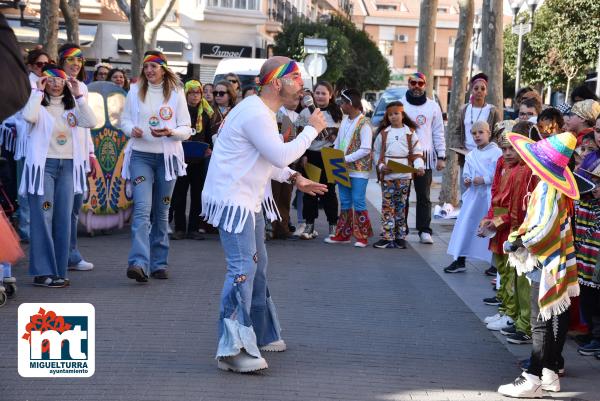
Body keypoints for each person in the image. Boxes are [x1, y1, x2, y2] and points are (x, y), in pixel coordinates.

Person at [201, 56, 327, 373]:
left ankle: (260, 332)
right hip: (235, 202)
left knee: (258, 267)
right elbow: (280, 153)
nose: (301, 85)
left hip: (247, 199)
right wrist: (311, 131)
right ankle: (231, 350)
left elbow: (266, 160)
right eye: (295, 78)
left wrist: (295, 178)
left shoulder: (258, 110)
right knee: (242, 270)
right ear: (275, 83)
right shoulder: (257, 113)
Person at [498, 131, 580, 398]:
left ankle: (532, 376)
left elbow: (542, 229)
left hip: (544, 261)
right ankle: (549, 373)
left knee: (540, 320)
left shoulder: (547, 188)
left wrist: (519, 242)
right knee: (550, 318)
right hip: (555, 259)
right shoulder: (553, 187)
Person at [20, 65, 97, 287]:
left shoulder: (72, 108)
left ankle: (59, 270)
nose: (55, 84)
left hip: (68, 167)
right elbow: (28, 116)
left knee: (63, 217)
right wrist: (36, 91)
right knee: (43, 216)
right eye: (50, 80)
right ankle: (42, 272)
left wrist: (79, 95)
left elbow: (91, 122)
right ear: (44, 82)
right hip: (43, 168)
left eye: (59, 80)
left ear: (65, 84)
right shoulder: (37, 105)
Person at [120, 50, 192, 282]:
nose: (149, 71)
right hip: (141, 157)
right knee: (141, 209)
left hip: (167, 160)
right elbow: (125, 120)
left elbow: (186, 128)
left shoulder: (176, 93)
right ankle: (138, 263)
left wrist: (171, 132)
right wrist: (132, 130)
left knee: (161, 212)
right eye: (146, 66)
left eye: (154, 66)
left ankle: (159, 263)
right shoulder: (134, 91)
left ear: (163, 69)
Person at [480, 133, 537, 342]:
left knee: (518, 277)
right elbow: (497, 194)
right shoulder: (506, 166)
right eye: (504, 149)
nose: (507, 153)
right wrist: (490, 218)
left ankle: (517, 318)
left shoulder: (526, 171)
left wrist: (499, 221)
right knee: (505, 271)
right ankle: (509, 312)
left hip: (517, 227)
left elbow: (520, 206)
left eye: (511, 148)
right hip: (505, 222)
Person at [57, 43, 98, 272]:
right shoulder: (53, 83)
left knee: (74, 209)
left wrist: (90, 152)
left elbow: (86, 123)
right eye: (71, 59)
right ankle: (59, 255)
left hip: (80, 157)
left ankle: (71, 254)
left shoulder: (82, 86)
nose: (75, 64)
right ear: (61, 61)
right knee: (61, 210)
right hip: (60, 155)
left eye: (79, 60)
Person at [444, 121, 501, 273]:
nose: (477, 136)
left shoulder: (497, 152)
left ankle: (495, 265)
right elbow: (467, 172)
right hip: (475, 197)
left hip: (490, 196)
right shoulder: (472, 155)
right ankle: (460, 259)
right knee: (466, 226)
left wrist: (484, 179)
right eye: (474, 133)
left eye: (481, 132)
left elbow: (498, 173)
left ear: (489, 133)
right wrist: (468, 179)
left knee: (491, 227)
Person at [324, 88, 373, 248]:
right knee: (345, 201)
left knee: (358, 201)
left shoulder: (365, 123)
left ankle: (362, 236)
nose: (341, 105)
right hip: (342, 166)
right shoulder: (345, 120)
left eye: (343, 103)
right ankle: (343, 235)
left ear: (351, 104)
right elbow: (339, 141)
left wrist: (345, 158)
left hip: (359, 170)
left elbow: (366, 149)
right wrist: (334, 155)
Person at [371, 101, 424, 249]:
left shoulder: (410, 133)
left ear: (402, 114)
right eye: (390, 114)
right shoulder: (383, 133)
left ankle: (400, 236)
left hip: (405, 176)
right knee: (388, 206)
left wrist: (419, 166)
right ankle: (387, 237)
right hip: (388, 177)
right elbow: (375, 153)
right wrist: (381, 166)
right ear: (387, 117)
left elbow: (417, 153)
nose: (393, 117)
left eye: (396, 114)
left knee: (401, 206)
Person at [401, 72, 446, 244]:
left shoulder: (433, 106)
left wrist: (441, 157)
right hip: (403, 158)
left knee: (424, 197)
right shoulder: (400, 105)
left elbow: (438, 133)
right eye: (413, 82)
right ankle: (401, 229)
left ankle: (424, 230)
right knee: (402, 195)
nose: (417, 86)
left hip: (425, 158)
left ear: (425, 85)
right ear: (408, 84)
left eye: (420, 83)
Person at [297, 81, 342, 239]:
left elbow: (344, 137)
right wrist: (302, 155)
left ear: (330, 95)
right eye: (317, 93)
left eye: (324, 93)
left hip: (331, 155)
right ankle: (309, 226)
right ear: (313, 95)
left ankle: (333, 226)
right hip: (311, 155)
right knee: (310, 191)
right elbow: (299, 136)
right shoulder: (305, 113)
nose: (320, 96)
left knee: (330, 192)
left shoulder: (338, 113)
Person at [170, 80, 213, 240]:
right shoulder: (179, 112)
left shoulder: (207, 113)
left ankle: (194, 228)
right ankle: (180, 228)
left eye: (198, 93)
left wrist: (209, 149)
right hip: (181, 159)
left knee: (197, 195)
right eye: (192, 93)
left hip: (199, 161)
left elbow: (209, 136)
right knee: (179, 195)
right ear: (186, 94)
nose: (195, 96)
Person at [271, 95, 301, 240]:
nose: (296, 102)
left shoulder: (298, 116)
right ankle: (271, 226)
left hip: (292, 160)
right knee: (273, 195)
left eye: (298, 100)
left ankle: (283, 226)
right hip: (275, 160)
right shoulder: (276, 113)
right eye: (293, 99)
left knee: (286, 195)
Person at [457, 73, 502, 151]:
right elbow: (457, 131)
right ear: (471, 91)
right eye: (476, 88)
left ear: (486, 92)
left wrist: (490, 148)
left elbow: (498, 133)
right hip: (465, 154)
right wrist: (460, 147)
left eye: (483, 89)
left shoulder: (493, 111)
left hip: (485, 154)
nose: (479, 91)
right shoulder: (464, 109)